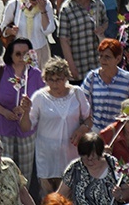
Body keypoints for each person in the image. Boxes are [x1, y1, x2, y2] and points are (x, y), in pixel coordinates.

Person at [19, 57, 91, 197]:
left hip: (71, 154)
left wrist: (82, 129)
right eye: (50, 79)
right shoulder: (39, 97)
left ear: (66, 77)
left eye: (59, 79)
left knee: (70, 195)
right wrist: (26, 112)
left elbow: (89, 118)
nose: (55, 83)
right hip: (47, 156)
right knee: (48, 197)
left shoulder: (77, 93)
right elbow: (25, 128)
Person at [0, 37, 44, 180]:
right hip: (2, 128)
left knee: (24, 174)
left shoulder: (36, 75)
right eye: (18, 54)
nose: (22, 57)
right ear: (10, 54)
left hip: (26, 131)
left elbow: (42, 101)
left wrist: (27, 109)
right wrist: (4, 111)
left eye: (26, 53)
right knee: (3, 171)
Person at [58, 0, 107, 82]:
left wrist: (102, 28)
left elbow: (106, 21)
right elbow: (64, 40)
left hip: (97, 60)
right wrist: (70, 65)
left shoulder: (98, 3)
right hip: (79, 61)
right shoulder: (67, 9)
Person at [82, 39, 129, 132]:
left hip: (119, 131)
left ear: (117, 59)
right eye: (101, 56)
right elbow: (82, 103)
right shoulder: (92, 77)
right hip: (97, 130)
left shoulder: (127, 78)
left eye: (107, 57)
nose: (103, 60)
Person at [57, 132, 129, 204]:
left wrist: (120, 195)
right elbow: (61, 194)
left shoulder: (113, 163)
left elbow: (127, 189)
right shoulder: (75, 167)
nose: (90, 161)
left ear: (101, 154)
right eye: (85, 158)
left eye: (94, 158)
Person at [1, 0, 55, 67]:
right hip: (19, 52)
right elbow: (3, 27)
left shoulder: (46, 5)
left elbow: (48, 30)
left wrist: (43, 11)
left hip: (40, 51)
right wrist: (10, 31)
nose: (35, 2)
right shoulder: (14, 4)